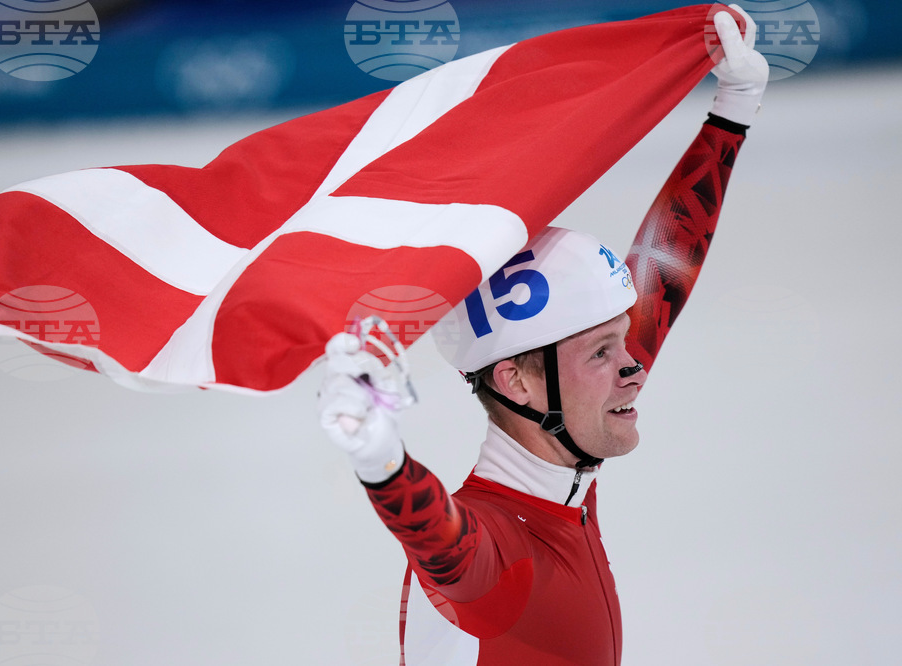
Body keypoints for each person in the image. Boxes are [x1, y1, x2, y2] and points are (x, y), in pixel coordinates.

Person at [318, 6, 769, 665]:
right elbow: (443, 547)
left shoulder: (560, 459)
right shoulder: (500, 550)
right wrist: (380, 462)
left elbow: (664, 271)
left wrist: (732, 111)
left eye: (623, 342)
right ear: (516, 379)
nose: (636, 366)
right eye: (603, 352)